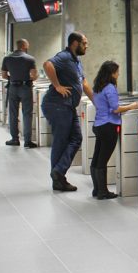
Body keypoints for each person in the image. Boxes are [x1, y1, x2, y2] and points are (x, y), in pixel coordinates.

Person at [41, 32, 93, 192]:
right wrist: (57, 86)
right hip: (57, 104)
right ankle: (58, 178)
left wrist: (98, 102)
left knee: (77, 138)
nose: (87, 45)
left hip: (68, 106)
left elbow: (84, 83)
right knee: (61, 141)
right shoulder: (64, 57)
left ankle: (58, 172)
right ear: (75, 43)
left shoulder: (77, 61)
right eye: (84, 43)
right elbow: (47, 64)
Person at [90, 61, 138, 199]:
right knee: (102, 160)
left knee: (96, 158)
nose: (118, 74)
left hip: (98, 125)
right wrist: (132, 106)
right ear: (111, 73)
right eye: (117, 71)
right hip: (109, 126)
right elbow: (115, 109)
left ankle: (96, 189)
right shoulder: (110, 87)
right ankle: (102, 192)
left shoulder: (98, 87)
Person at [1, 39, 38, 147]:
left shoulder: (7, 58)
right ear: (24, 46)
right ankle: (27, 141)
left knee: (13, 114)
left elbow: (3, 75)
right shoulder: (30, 59)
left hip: (12, 87)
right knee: (27, 114)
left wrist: (12, 78)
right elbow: (33, 76)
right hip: (25, 88)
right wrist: (33, 78)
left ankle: (14, 139)